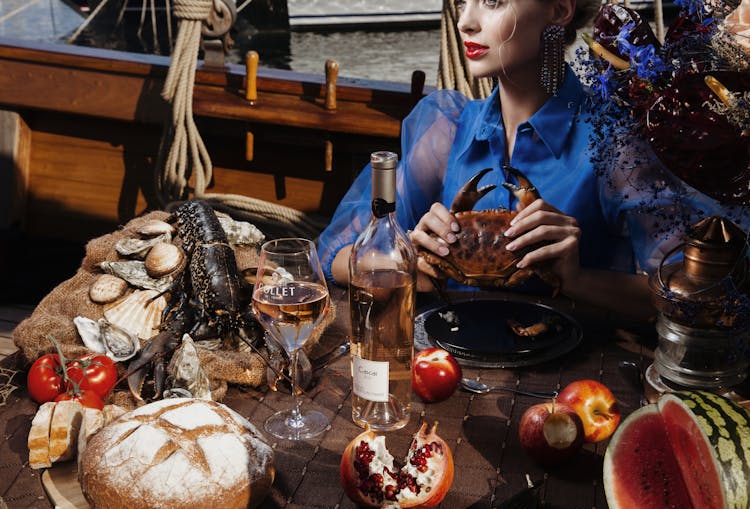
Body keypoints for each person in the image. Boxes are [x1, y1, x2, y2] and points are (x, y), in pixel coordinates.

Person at [316, 0, 662, 320]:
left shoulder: (616, 142)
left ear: (558, 10)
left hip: (579, 376)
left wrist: (577, 279)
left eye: (493, 1)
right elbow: (336, 255)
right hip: (445, 368)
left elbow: (693, 300)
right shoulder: (444, 131)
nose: (465, 22)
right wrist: (406, 262)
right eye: (464, 2)